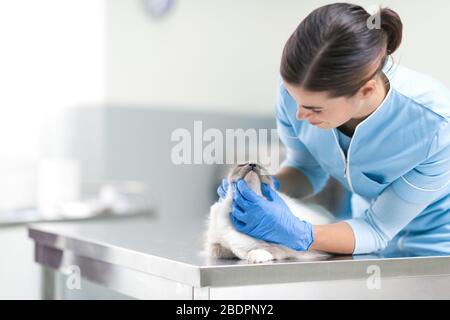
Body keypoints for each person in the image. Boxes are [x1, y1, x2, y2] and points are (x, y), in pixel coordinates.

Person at [218, 3, 450, 255]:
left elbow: (376, 229)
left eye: (315, 109)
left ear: (366, 91)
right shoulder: (299, 87)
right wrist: (264, 186)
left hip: (437, 250)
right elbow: (306, 170)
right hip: (363, 241)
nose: (299, 115)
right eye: (295, 99)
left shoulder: (436, 125)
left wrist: (298, 232)